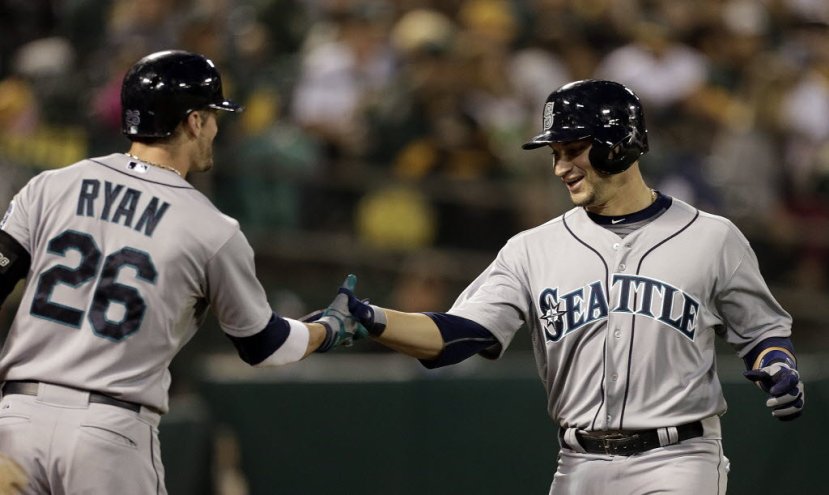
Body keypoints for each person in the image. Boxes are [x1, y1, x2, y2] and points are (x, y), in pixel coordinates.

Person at [338, 79, 805, 494]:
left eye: (573, 149)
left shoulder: (712, 236)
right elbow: (456, 336)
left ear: (619, 143)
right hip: (578, 464)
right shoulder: (531, 249)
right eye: (556, 154)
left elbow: (761, 332)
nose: (561, 167)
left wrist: (777, 365)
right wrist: (375, 320)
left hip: (679, 460)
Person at [0, 50, 362, 494]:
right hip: (110, 433)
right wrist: (330, 328)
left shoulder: (51, 185)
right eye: (211, 115)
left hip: (16, 421)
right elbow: (266, 346)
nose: (215, 127)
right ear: (193, 121)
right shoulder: (212, 228)